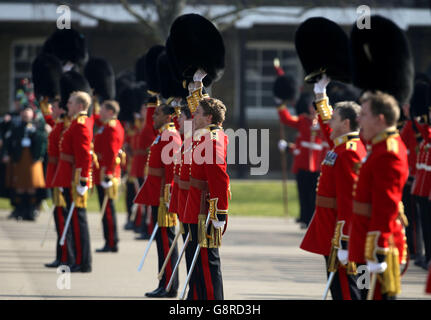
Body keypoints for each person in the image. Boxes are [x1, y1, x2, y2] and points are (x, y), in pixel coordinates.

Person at [300, 75, 367, 300]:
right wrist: (321, 93)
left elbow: (350, 198)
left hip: (340, 233)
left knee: (347, 290)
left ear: (346, 124)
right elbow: (328, 130)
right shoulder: (342, 146)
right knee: (343, 287)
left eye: (334, 119)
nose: (329, 123)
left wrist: (346, 240)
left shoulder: (348, 151)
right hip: (332, 228)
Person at [348, 91, 408, 300]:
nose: (358, 119)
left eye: (364, 114)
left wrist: (378, 250)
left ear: (379, 119)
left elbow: (386, 207)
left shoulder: (388, 152)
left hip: (378, 246)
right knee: (365, 294)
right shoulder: (378, 146)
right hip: (365, 241)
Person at [183, 97, 230, 300]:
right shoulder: (205, 136)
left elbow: (218, 176)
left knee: (207, 262)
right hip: (197, 204)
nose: (194, 116)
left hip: (205, 209)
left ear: (209, 117)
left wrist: (219, 212)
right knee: (198, 263)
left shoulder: (212, 139)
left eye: (198, 113)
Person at [134, 103, 181, 298]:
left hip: (163, 196)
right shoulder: (163, 134)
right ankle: (164, 282)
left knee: (166, 242)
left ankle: (169, 285)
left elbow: (171, 170)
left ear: (170, 116)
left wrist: (168, 198)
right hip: (157, 193)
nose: (154, 116)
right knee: (161, 242)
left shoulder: (170, 135)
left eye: (158, 113)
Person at [52, 91, 93, 273]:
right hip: (69, 175)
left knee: (78, 220)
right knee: (75, 219)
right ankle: (78, 259)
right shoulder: (76, 123)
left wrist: (83, 180)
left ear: (80, 106)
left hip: (76, 177)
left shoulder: (81, 124)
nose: (67, 105)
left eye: (70, 103)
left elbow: (84, 155)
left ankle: (82, 261)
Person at [277, 92, 325, 228]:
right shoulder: (303, 120)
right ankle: (305, 218)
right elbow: (287, 120)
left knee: (314, 195)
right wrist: (280, 105)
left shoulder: (324, 123)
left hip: (318, 165)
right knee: (303, 193)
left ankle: (313, 218)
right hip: (303, 163)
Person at [44, 99, 74, 268]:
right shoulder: (59, 125)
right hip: (56, 173)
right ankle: (61, 255)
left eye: (53, 107)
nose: (50, 109)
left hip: (60, 174)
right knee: (59, 218)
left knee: (62, 218)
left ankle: (65, 256)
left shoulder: (64, 127)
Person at [3, 105, 47, 221]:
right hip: (20, 158)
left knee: (32, 185)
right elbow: (9, 141)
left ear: (32, 114)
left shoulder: (37, 127)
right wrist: (7, 154)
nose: (25, 115)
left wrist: (35, 133)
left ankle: (31, 210)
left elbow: (43, 141)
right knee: (20, 186)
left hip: (33, 159)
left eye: (28, 112)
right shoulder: (16, 127)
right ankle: (19, 210)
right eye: (24, 112)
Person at [93, 100, 125, 253]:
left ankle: (111, 241)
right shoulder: (108, 125)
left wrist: (107, 173)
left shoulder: (111, 128)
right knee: (106, 208)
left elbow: (112, 153)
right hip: (105, 171)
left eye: (103, 110)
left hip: (107, 173)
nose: (100, 112)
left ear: (111, 112)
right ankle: (110, 240)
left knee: (107, 209)